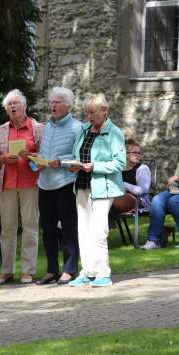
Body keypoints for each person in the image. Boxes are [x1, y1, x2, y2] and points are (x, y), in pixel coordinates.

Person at [68, 94, 125, 288]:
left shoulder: (114, 132)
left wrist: (95, 166)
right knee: (83, 231)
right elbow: (77, 154)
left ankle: (103, 274)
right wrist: (72, 164)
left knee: (98, 231)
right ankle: (88, 272)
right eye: (87, 113)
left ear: (104, 111)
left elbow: (120, 163)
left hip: (103, 188)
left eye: (93, 113)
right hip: (82, 185)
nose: (89, 117)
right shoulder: (84, 130)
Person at [0, 89, 44, 285]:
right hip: (7, 184)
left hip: (31, 183)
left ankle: (28, 271)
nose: (12, 107)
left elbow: (44, 156)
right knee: (7, 229)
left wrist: (30, 156)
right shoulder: (1, 130)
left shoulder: (37, 128)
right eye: (9, 105)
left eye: (16, 103)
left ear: (24, 106)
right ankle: (7, 270)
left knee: (30, 226)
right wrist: (3, 159)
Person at [33, 87, 81, 285]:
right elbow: (43, 153)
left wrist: (60, 161)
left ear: (68, 105)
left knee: (69, 228)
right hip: (45, 183)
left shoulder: (77, 127)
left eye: (57, 102)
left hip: (65, 183)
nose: (53, 105)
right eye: (51, 102)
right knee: (48, 229)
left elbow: (79, 158)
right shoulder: (47, 127)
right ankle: (51, 269)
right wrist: (35, 161)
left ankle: (70, 268)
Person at [110, 138, 152, 215]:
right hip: (118, 199)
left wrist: (124, 185)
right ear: (125, 154)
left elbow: (143, 191)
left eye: (139, 153)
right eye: (134, 152)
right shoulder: (118, 169)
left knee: (108, 198)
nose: (137, 155)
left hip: (138, 201)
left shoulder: (142, 169)